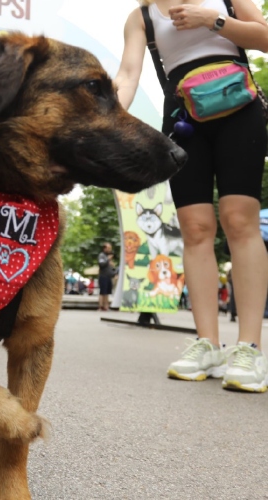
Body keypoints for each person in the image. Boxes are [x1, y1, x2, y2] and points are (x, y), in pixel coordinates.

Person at [114, 0, 268, 392]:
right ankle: (207, 345)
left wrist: (213, 20)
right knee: (195, 228)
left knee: (239, 219)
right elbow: (128, 75)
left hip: (240, 108)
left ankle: (249, 348)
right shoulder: (142, 16)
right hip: (183, 119)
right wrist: (105, 123)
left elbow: (265, 38)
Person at [98, 242, 116, 311]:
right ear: (104, 248)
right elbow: (101, 264)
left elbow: (110, 268)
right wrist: (108, 259)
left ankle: (106, 306)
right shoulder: (102, 256)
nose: (110, 250)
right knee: (103, 292)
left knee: (107, 292)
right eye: (108, 248)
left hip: (108, 276)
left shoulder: (107, 257)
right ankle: (101, 306)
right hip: (103, 276)